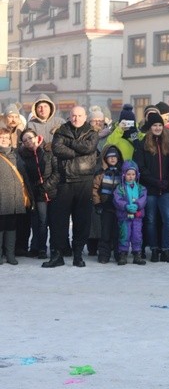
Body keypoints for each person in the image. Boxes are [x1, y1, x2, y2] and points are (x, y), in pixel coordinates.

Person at [43, 106, 99, 268]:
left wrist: (70, 144)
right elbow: (57, 149)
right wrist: (77, 151)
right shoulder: (61, 130)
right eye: (73, 115)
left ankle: (78, 254)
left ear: (85, 116)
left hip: (84, 180)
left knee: (82, 220)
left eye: (79, 115)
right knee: (58, 221)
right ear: (69, 116)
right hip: (64, 181)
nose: (76, 118)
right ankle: (58, 255)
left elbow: (89, 148)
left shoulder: (92, 132)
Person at [134, 111, 169, 263]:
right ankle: (154, 249)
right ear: (149, 127)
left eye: (160, 125)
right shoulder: (142, 144)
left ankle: (165, 249)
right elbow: (141, 167)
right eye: (155, 125)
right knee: (150, 221)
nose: (158, 128)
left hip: (166, 189)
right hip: (150, 189)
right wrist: (154, 181)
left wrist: (168, 181)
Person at [18, 129, 59, 259]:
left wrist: (46, 186)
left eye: (30, 138)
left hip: (52, 191)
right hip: (37, 194)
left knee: (54, 222)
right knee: (39, 222)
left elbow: (57, 171)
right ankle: (39, 248)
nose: (28, 142)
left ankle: (55, 248)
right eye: (25, 140)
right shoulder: (23, 156)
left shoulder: (48, 151)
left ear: (37, 137)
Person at [0, 127, 32, 265]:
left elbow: (24, 176)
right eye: (1, 137)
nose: (4, 140)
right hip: (1, 198)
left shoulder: (16, 155)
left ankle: (10, 254)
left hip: (14, 197)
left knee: (12, 227)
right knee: (1, 227)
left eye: (6, 138)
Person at [92, 145, 124, 264]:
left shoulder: (122, 173)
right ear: (105, 159)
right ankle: (104, 254)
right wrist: (97, 203)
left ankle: (119, 253)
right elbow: (95, 189)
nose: (112, 159)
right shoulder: (101, 173)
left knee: (118, 232)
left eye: (114, 157)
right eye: (109, 157)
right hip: (105, 206)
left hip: (119, 207)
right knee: (105, 232)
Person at [113, 160, 148, 265]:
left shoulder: (141, 188)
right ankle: (122, 254)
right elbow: (117, 199)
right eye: (128, 174)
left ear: (137, 175)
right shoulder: (120, 188)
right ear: (123, 175)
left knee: (137, 235)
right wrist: (125, 206)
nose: (131, 176)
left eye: (133, 174)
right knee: (125, 234)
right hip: (124, 217)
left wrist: (137, 205)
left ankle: (137, 253)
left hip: (137, 217)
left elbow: (143, 199)